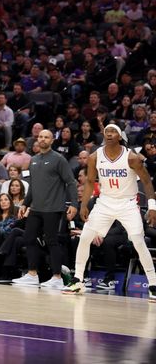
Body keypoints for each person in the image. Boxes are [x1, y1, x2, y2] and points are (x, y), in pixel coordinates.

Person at [64, 124, 156, 300]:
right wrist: (83, 205)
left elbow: (147, 182)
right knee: (85, 237)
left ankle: (153, 284)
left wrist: (152, 207)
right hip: (104, 203)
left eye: (113, 132)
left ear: (120, 136)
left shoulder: (131, 158)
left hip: (127, 204)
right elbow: (90, 182)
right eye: (107, 132)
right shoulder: (94, 157)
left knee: (137, 239)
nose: (109, 134)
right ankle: (78, 280)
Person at [13, 129, 78, 289]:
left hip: (53, 208)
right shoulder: (33, 160)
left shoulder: (59, 159)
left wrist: (74, 205)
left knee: (51, 241)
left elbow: (71, 182)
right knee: (28, 238)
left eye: (46, 137)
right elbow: (33, 186)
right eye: (40, 137)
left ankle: (57, 277)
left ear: (52, 140)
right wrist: (25, 204)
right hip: (36, 208)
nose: (42, 139)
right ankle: (32, 274)